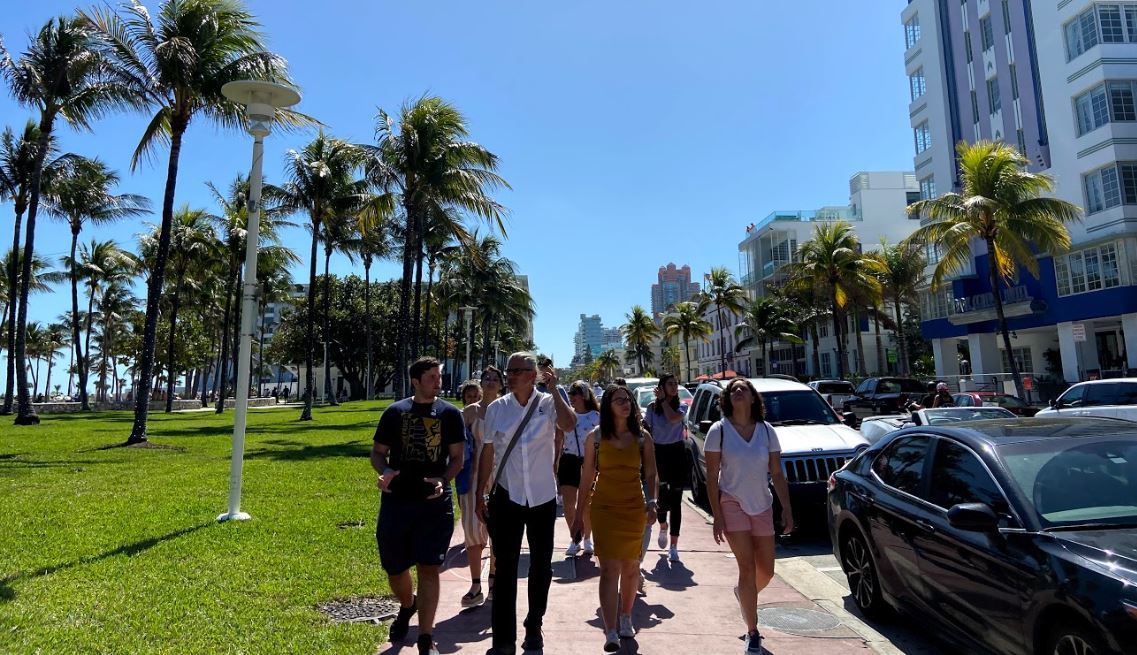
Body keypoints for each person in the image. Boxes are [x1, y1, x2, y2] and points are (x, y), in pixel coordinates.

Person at [476, 353, 576, 655]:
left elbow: (569, 424)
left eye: (517, 370)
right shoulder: (496, 409)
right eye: (509, 370)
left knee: (541, 566)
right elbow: (488, 451)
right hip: (508, 496)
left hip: (543, 497)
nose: (510, 375)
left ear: (533, 375)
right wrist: (482, 492)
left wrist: (556, 388)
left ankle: (534, 624)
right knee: (505, 568)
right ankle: (503, 637)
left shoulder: (547, 404)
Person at [371, 357, 465, 655]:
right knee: (395, 568)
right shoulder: (395, 413)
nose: (438, 381)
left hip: (434, 504)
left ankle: (426, 637)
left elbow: (458, 459)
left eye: (439, 376)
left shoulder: (450, 414)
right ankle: (407, 605)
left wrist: (443, 479)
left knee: (429, 568)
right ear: (415, 380)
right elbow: (377, 453)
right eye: (431, 377)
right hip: (397, 501)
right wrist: (384, 471)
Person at [705, 377, 793, 654]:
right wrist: (717, 515)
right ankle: (752, 632)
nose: (739, 391)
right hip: (732, 502)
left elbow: (777, 474)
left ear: (754, 398)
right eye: (733, 390)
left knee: (766, 571)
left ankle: (744, 594)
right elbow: (711, 477)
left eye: (744, 388)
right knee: (747, 568)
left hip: (762, 505)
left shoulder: (767, 432)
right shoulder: (718, 431)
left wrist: (787, 509)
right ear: (728, 399)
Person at [573, 384, 658, 652]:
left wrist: (653, 502)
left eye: (628, 400)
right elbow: (586, 478)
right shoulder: (595, 438)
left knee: (631, 566)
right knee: (609, 568)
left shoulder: (643, 437)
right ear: (608, 406)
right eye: (619, 400)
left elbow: (652, 475)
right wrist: (577, 515)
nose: (626, 404)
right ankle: (610, 630)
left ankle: (626, 616)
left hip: (634, 507)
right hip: (604, 508)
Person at [643, 374, 688, 562]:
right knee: (660, 497)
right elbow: (646, 429)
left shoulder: (681, 406)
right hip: (659, 452)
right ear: (661, 387)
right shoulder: (653, 409)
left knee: (676, 500)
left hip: (676, 452)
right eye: (670, 384)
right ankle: (663, 526)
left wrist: (663, 401)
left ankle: (674, 546)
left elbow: (672, 419)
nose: (674, 387)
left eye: (675, 384)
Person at [559, 380, 601, 557]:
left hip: (589, 461)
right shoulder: (568, 415)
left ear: (584, 395)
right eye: (570, 394)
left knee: (585, 505)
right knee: (568, 505)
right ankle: (575, 539)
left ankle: (587, 539)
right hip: (569, 459)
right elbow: (558, 439)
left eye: (575, 393)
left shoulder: (596, 416)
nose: (572, 397)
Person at [458, 380, 490, 608]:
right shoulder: (468, 413)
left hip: (499, 476)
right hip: (472, 476)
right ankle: (476, 583)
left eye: (495, 379)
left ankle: (495, 579)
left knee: (497, 530)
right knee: (471, 529)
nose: (491, 384)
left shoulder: (507, 409)